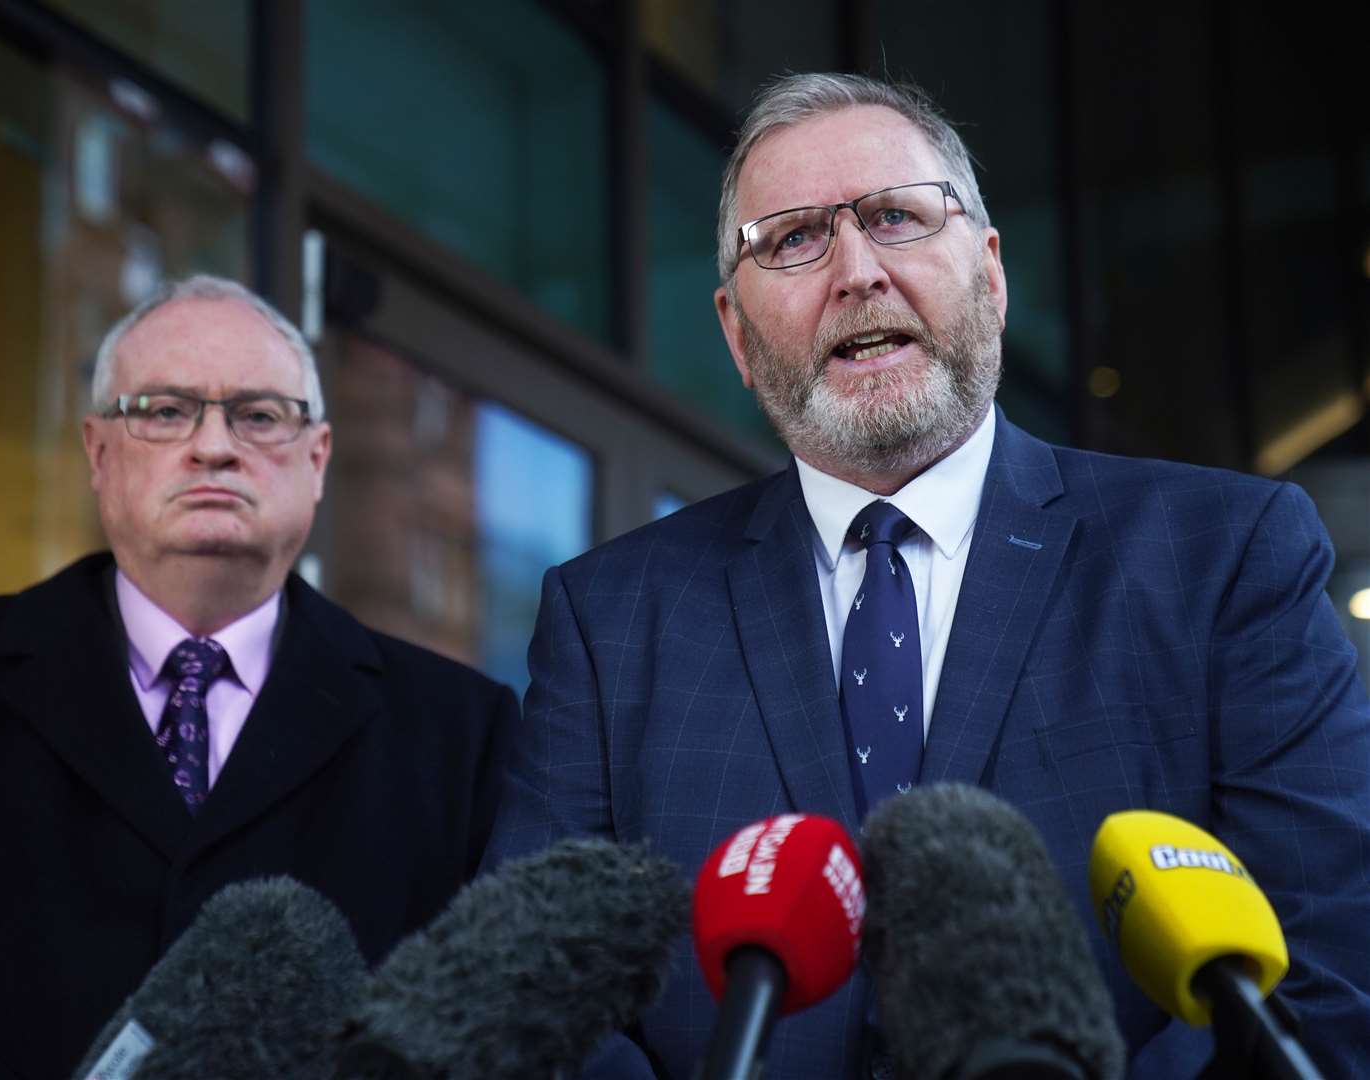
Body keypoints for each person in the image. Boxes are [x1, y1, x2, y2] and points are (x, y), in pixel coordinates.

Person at [483, 73, 1370, 1078]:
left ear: (990, 274)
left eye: (897, 217)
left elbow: (1318, 963)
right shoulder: (609, 620)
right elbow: (544, 1002)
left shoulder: (1223, 553)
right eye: (793, 240)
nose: (856, 270)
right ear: (735, 332)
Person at [0, 275, 515, 1079]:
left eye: (259, 416)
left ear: (318, 459)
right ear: (98, 452)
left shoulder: (459, 736)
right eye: (164, 411)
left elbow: (478, 1042)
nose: (215, 445)